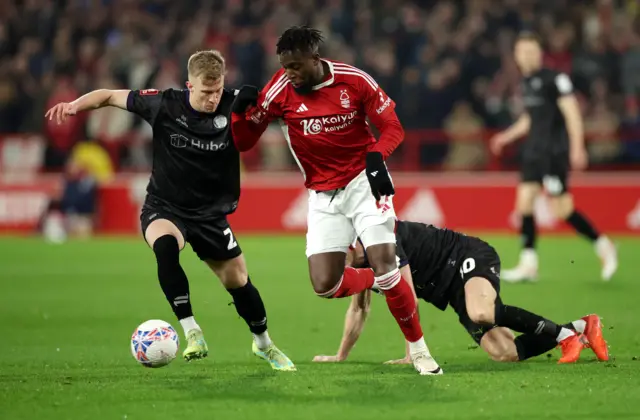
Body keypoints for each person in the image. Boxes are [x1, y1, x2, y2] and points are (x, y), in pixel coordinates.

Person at [44, 50, 295, 371]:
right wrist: (74, 105)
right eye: (206, 92)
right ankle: (192, 332)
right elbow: (108, 95)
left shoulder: (237, 102)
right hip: (165, 205)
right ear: (189, 85)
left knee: (238, 281)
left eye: (218, 91)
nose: (213, 99)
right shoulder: (163, 103)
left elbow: (285, 106)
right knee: (165, 247)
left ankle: (264, 344)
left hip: (211, 215)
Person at [230, 26, 436, 375]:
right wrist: (239, 114)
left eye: (295, 66)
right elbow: (245, 142)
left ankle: (420, 352)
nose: (289, 73)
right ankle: (381, 280)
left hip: (362, 185)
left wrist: (375, 158)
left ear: (315, 59)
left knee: (385, 260)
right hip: (322, 195)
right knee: (325, 285)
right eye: (284, 66)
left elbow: (393, 128)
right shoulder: (279, 89)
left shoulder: (354, 80)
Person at [313, 221, 609, 365]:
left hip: (466, 255)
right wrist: (340, 356)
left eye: (337, 252)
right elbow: (359, 309)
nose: (333, 261)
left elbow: (408, 299)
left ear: (351, 245)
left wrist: (413, 354)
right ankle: (582, 327)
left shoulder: (383, 241)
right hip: (450, 288)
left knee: (480, 312)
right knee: (503, 352)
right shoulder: (360, 266)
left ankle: (564, 338)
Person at [491, 32, 618, 282]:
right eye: (522, 52)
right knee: (525, 201)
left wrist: (577, 147)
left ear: (540, 53)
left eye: (531, 51)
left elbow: (572, 113)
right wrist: (506, 136)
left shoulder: (556, 79)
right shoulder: (526, 82)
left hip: (553, 153)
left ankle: (603, 243)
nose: (527, 56)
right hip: (534, 152)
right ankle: (529, 264)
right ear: (516, 56)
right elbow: (530, 119)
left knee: (562, 209)